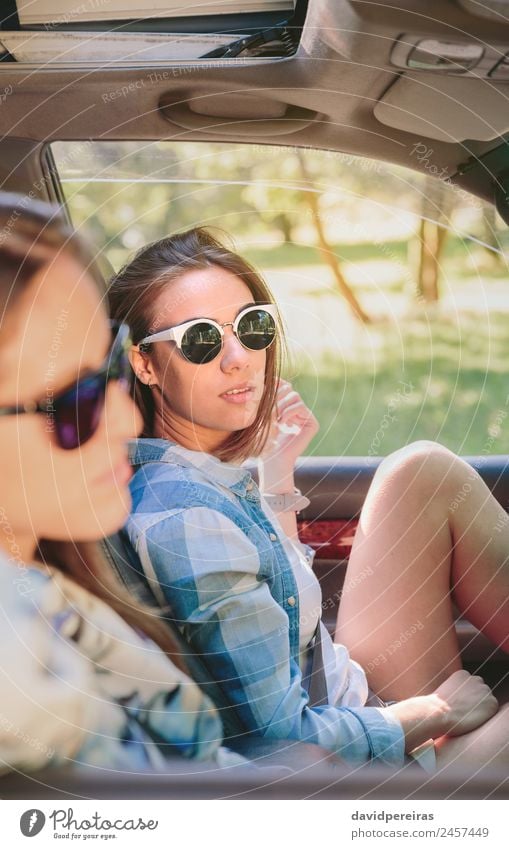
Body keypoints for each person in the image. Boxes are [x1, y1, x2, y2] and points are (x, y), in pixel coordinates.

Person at [109, 226, 508, 773]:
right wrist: (432, 712)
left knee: (421, 472)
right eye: (200, 339)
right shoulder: (187, 520)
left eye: (252, 328)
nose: (239, 358)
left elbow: (281, 608)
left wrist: (276, 473)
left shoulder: (188, 478)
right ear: (146, 364)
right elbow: (280, 741)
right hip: (363, 775)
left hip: (349, 696)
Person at [0, 196, 241, 776]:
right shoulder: (22, 691)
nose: (129, 421)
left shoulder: (51, 595)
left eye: (110, 367)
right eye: (76, 402)